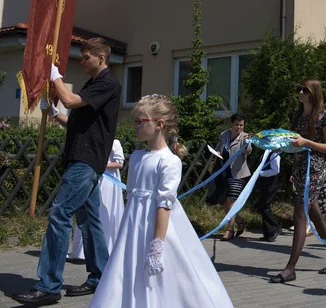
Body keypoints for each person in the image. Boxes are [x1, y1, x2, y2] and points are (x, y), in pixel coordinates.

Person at [89, 95, 233, 307]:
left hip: (157, 226)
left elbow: (164, 206)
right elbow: (131, 196)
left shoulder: (169, 161)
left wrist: (157, 246)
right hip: (133, 227)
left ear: (160, 125)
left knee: (162, 279)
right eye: (135, 121)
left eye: (141, 121)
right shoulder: (137, 156)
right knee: (127, 271)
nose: (136, 126)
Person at [13, 38, 121, 306]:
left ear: (101, 58)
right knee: (90, 220)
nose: (82, 61)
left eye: (86, 57)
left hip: (85, 161)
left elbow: (71, 101)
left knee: (61, 213)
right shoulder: (94, 85)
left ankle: (49, 285)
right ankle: (100, 276)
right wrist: (53, 112)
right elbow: (72, 118)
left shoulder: (108, 82)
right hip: (84, 159)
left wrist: (55, 76)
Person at [269, 79, 326, 283]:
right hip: (301, 168)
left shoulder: (324, 117)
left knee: (300, 215)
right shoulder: (298, 116)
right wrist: (278, 146)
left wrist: (306, 142)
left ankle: (290, 268)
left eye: (305, 90)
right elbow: (293, 144)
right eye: (299, 89)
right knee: (315, 214)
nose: (300, 93)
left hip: (316, 170)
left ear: (314, 93)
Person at [68, 140, 125, 259]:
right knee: (87, 211)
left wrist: (100, 165)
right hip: (92, 177)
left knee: (104, 211)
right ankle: (83, 251)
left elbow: (119, 163)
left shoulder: (114, 142)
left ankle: (105, 249)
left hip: (108, 181)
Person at [216, 113, 253, 241]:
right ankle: (239, 220)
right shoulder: (224, 135)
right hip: (224, 172)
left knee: (232, 201)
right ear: (231, 124)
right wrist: (218, 153)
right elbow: (222, 150)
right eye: (236, 125)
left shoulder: (245, 137)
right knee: (225, 204)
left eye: (241, 125)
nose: (239, 127)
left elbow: (247, 151)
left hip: (238, 173)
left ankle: (229, 229)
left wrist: (247, 143)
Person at [258, 151, 281, 242]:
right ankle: (268, 233)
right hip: (265, 183)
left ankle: (274, 228)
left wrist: (261, 173)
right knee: (263, 206)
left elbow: (275, 170)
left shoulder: (274, 154)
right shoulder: (265, 153)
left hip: (271, 184)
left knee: (265, 206)